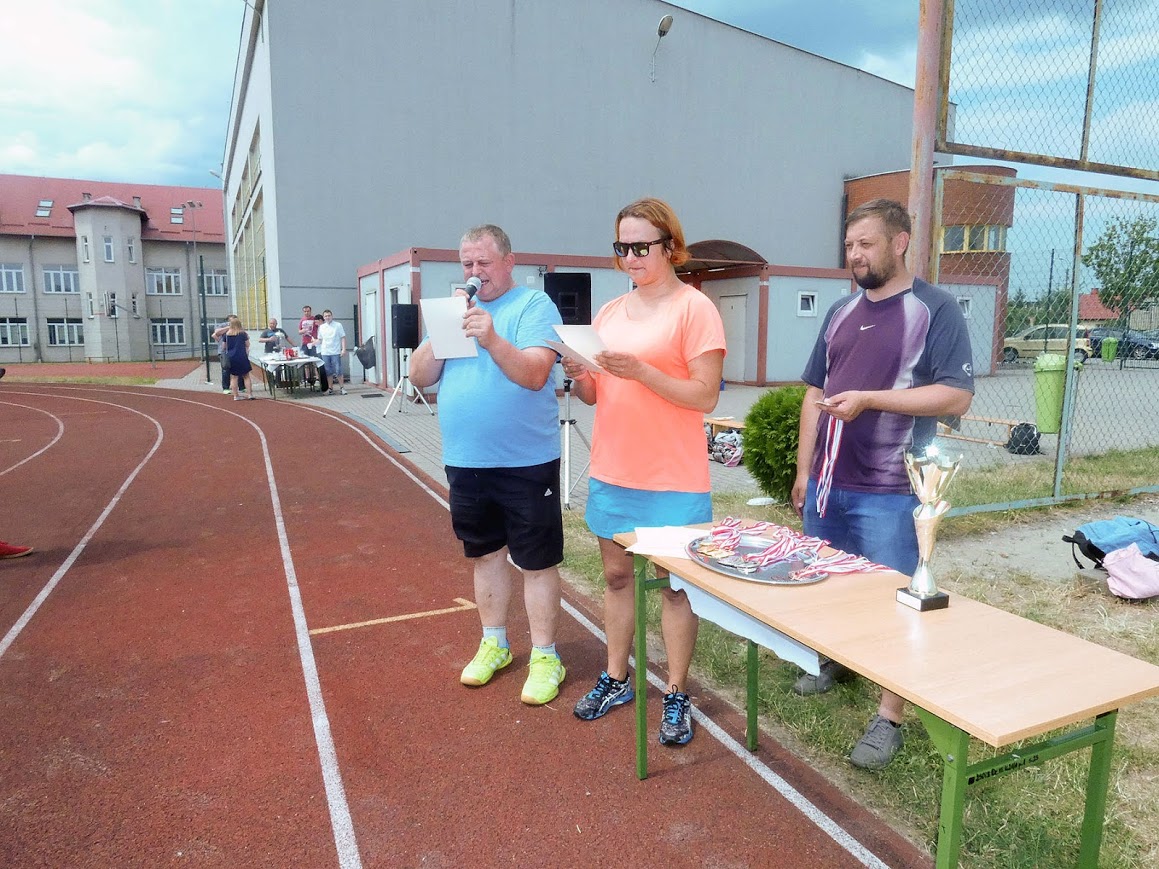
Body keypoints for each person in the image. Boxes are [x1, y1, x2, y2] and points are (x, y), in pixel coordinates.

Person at [791, 198, 974, 769]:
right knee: (829, 585)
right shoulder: (839, 311)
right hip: (828, 484)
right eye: (849, 245)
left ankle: (889, 716)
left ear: (900, 242)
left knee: (897, 600)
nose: (855, 255)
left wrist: (871, 399)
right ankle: (835, 659)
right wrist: (803, 469)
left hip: (893, 489)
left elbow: (956, 396)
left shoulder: (935, 309)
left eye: (866, 244)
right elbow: (814, 392)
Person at [564, 197, 726, 747]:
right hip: (614, 469)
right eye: (622, 247)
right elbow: (595, 394)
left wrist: (640, 371)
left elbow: (704, 396)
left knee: (675, 589)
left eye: (640, 247)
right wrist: (580, 373)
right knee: (616, 579)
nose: (630, 258)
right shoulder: (611, 313)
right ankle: (616, 678)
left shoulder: (694, 308)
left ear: (669, 246)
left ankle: (677, 691)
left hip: (673, 477)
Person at [409, 224, 567, 706]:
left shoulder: (534, 306)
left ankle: (546, 656)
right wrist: (444, 327)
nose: (474, 272)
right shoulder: (455, 310)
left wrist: (493, 337)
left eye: (483, 263)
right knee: (485, 555)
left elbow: (535, 374)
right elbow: (418, 376)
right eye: (467, 264)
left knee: (536, 561)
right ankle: (495, 643)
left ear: (508, 262)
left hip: (526, 460)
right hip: (466, 459)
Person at [222, 315, 257, 400]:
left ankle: (236, 396)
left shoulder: (226, 335)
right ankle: (250, 394)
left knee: (234, 377)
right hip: (242, 356)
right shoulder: (242, 334)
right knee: (246, 376)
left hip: (231, 357)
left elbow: (224, 347)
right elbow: (247, 344)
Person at [317, 309, 348, 395]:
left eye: (329, 316)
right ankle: (330, 388)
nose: (327, 317)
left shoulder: (338, 325)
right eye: (326, 316)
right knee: (328, 371)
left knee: (338, 370)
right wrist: (312, 343)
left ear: (332, 316)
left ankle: (342, 388)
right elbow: (320, 340)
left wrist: (343, 349)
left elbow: (343, 337)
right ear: (323, 317)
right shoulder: (321, 327)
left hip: (335, 352)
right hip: (325, 352)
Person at [212, 315, 244, 395]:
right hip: (225, 352)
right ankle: (226, 387)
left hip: (236, 351)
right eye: (232, 320)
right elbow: (216, 333)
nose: (234, 322)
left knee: (239, 368)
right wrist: (228, 328)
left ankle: (241, 386)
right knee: (226, 369)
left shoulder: (238, 327)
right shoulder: (223, 325)